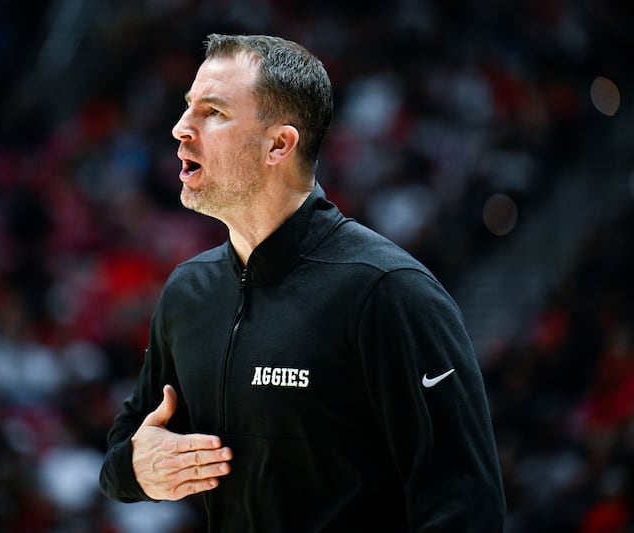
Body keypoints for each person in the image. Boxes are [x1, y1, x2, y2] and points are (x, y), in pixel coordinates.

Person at [99, 33, 506, 531]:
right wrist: (138, 470)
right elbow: (125, 451)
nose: (181, 128)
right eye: (189, 108)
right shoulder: (189, 292)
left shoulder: (390, 292)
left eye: (214, 113)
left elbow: (466, 507)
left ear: (279, 145)